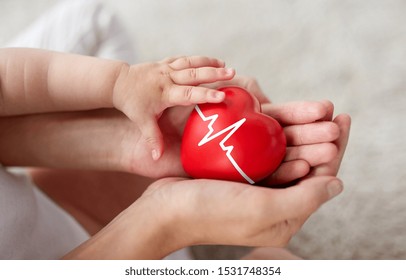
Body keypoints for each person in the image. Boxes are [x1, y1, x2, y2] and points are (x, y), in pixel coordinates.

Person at [0, 0, 351, 259]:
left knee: (91, 19)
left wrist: (117, 86)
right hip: (130, 250)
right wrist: (166, 221)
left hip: (62, 195)